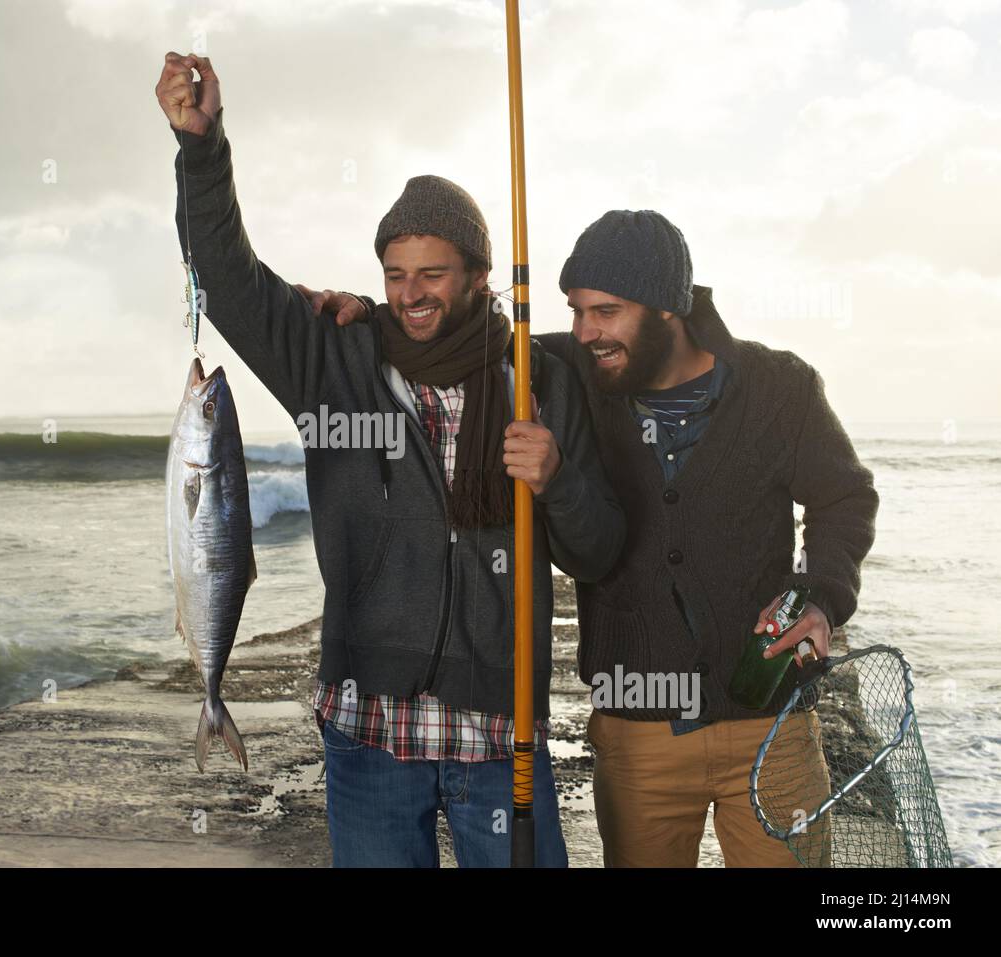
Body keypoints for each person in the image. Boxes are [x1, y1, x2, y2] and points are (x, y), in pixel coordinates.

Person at [156, 52, 624, 867]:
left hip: (500, 731)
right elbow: (227, 281)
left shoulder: (540, 379)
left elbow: (600, 551)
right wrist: (202, 146)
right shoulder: (334, 360)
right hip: (369, 729)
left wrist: (559, 483)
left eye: (433, 274)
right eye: (396, 274)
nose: (411, 293)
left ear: (478, 276)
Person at [306, 209, 877, 867]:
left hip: (773, 723)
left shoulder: (780, 387)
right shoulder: (566, 370)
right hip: (640, 737)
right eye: (575, 310)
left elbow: (845, 497)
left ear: (668, 309)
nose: (585, 331)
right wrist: (376, 318)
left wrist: (824, 596)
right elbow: (461, 332)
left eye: (605, 311)